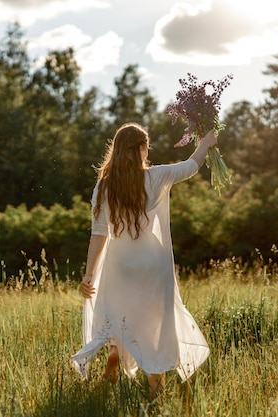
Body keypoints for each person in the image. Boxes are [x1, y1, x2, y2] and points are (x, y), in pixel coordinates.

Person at [70, 122, 217, 397]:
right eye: (146, 146)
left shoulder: (103, 188)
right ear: (139, 149)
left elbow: (98, 235)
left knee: (119, 317)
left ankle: (115, 350)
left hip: (120, 266)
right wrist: (206, 143)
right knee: (154, 327)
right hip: (152, 267)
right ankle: (155, 389)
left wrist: (88, 274)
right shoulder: (157, 176)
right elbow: (191, 165)